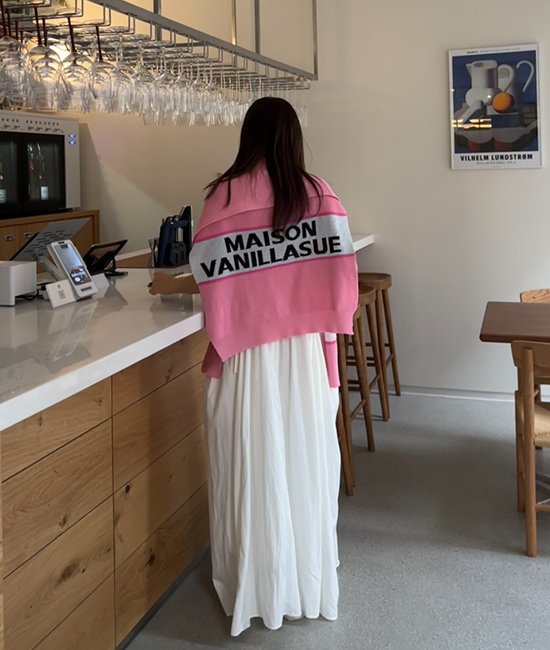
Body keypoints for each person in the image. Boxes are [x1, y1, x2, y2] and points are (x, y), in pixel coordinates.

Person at [149, 97, 358, 636]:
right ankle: (305, 578)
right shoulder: (320, 194)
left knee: (250, 462)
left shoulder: (223, 196)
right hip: (305, 354)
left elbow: (211, 276)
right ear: (293, 138)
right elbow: (342, 276)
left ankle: (255, 583)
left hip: (245, 357)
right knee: (303, 462)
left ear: (248, 136)